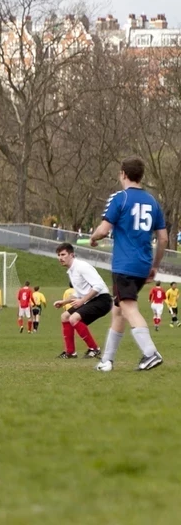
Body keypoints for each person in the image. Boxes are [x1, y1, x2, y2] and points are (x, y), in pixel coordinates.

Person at [87, 157, 167, 371]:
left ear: (123, 173)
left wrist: (93, 238)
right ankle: (107, 360)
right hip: (143, 264)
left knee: (128, 307)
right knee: (118, 309)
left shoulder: (120, 198)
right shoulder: (153, 202)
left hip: (125, 265)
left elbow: (104, 230)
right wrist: (155, 265)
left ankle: (150, 353)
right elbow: (164, 239)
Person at [54, 243, 110, 359]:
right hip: (90, 299)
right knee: (65, 316)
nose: (60, 258)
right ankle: (70, 352)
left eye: (63, 254)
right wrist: (64, 302)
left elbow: (98, 286)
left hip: (102, 300)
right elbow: (79, 293)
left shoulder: (81, 267)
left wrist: (82, 300)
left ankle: (94, 349)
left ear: (72, 255)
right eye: (59, 255)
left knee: (74, 318)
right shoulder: (71, 271)